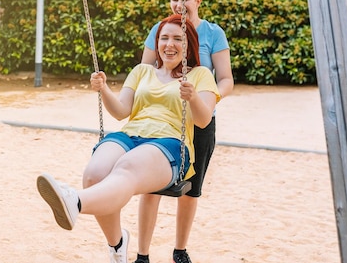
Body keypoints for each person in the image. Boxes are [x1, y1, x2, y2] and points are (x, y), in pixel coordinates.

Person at [36, 14, 220, 263]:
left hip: (168, 143)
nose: (169, 44)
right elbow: (122, 111)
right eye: (164, 37)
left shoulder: (199, 75)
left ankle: (74, 200)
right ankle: (117, 243)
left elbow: (203, 120)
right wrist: (103, 89)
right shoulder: (142, 71)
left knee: (127, 167)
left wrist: (194, 98)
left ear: (190, 45)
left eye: (178, 39)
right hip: (130, 134)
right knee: (94, 174)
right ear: (157, 43)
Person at [135, 0, 234, 263]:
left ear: (198, 1)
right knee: (151, 185)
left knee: (191, 188)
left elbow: (226, 79)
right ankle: (142, 254)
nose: (179, 5)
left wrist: (207, 98)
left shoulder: (213, 33)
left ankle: (180, 249)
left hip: (199, 119)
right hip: (163, 119)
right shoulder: (161, 29)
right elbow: (144, 71)